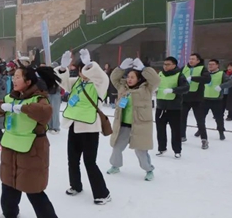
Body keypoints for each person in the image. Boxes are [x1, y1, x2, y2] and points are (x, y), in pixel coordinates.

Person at [0, 66, 62, 218]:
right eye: (13, 77)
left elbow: (45, 113)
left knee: (33, 188)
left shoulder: (40, 98)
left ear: (28, 82)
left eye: (18, 77)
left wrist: (21, 108)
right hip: (11, 145)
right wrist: (2, 106)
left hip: (32, 149)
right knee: (8, 182)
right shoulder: (10, 97)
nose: (14, 80)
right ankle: (10, 214)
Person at [55, 49, 111, 205]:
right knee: (72, 160)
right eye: (81, 70)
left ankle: (102, 193)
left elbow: (103, 77)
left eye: (86, 70)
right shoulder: (77, 83)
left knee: (89, 162)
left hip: (90, 128)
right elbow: (63, 82)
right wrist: (62, 68)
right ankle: (76, 185)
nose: (84, 73)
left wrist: (90, 64)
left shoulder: (99, 85)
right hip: (74, 126)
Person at [107, 58, 160, 181]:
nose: (129, 79)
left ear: (139, 78)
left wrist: (144, 69)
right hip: (123, 125)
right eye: (128, 77)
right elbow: (113, 78)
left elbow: (156, 80)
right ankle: (115, 166)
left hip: (140, 125)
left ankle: (149, 169)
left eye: (132, 77)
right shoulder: (123, 87)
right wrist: (120, 68)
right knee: (117, 147)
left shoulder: (147, 88)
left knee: (141, 151)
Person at [155, 57, 189, 159]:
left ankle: (177, 150)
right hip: (161, 106)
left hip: (174, 108)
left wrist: (173, 90)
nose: (165, 66)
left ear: (174, 65)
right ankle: (161, 148)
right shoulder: (160, 74)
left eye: (168, 64)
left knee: (176, 130)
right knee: (160, 129)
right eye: (164, 64)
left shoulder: (179, 75)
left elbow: (186, 88)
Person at [181, 53, 211, 149]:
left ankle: (204, 140)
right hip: (184, 98)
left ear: (198, 60)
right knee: (182, 119)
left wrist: (193, 78)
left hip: (197, 99)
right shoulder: (184, 68)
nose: (191, 60)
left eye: (193, 59)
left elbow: (207, 79)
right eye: (190, 58)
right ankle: (182, 136)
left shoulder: (202, 69)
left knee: (200, 120)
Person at [198, 59, 232, 141]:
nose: (210, 66)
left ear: (217, 65)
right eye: (209, 64)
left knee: (219, 118)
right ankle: (200, 130)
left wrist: (221, 86)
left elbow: (231, 82)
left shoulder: (221, 74)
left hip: (217, 100)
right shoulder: (205, 74)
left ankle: (221, 132)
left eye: (213, 64)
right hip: (204, 99)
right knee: (200, 117)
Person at [47, 62, 62, 134]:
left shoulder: (59, 75)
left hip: (56, 93)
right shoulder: (48, 75)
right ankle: (49, 125)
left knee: (55, 111)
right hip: (49, 93)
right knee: (49, 110)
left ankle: (55, 127)